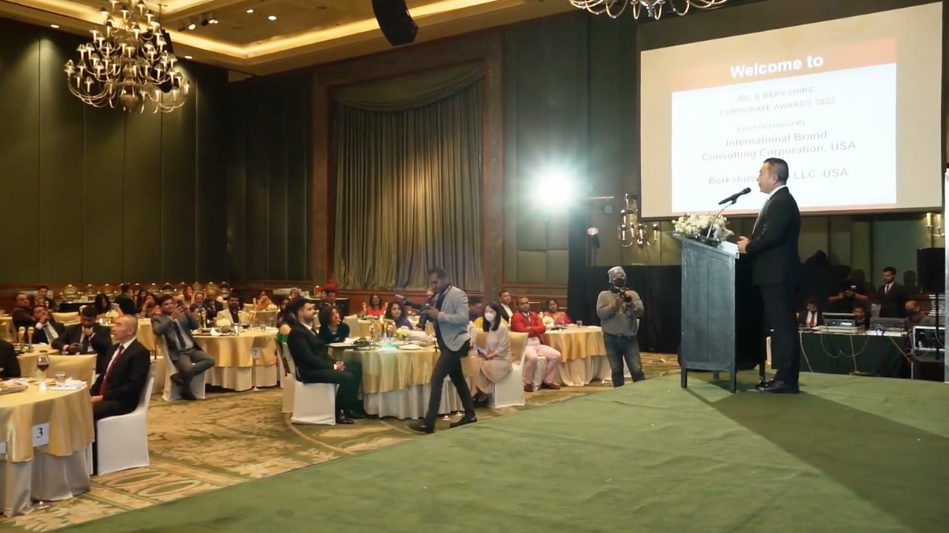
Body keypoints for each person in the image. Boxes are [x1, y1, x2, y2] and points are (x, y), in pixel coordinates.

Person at [737, 157, 802, 394]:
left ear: (774, 177)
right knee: (781, 328)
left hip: (778, 275)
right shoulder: (777, 200)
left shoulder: (781, 201)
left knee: (783, 329)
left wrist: (749, 246)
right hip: (774, 275)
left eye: (761, 173)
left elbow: (772, 237)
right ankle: (783, 378)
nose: (757, 178)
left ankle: (786, 380)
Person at [408, 268, 478, 434]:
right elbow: (438, 317)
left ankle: (429, 422)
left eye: (436, 282)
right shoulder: (439, 295)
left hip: (456, 342)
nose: (434, 285)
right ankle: (470, 415)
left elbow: (463, 319)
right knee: (458, 380)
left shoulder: (458, 294)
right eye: (432, 283)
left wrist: (439, 315)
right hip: (446, 343)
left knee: (436, 379)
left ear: (445, 278)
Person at [285, 299, 364, 424]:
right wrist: (333, 367)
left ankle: (349, 407)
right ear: (300, 313)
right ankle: (338, 411)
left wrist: (336, 362)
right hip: (309, 372)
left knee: (356, 367)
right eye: (309, 309)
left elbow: (321, 353)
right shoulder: (297, 333)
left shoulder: (309, 330)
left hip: (318, 367)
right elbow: (309, 359)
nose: (313, 311)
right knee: (347, 376)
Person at [152, 295, 215, 400]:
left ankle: (179, 376)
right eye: (166, 304)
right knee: (188, 369)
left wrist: (188, 313)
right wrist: (171, 318)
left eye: (171, 303)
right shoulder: (157, 318)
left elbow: (195, 326)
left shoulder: (181, 315)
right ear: (160, 307)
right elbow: (157, 331)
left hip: (192, 349)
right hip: (178, 352)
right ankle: (186, 390)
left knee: (210, 360)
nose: (170, 306)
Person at [596, 266, 646, 386]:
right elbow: (600, 313)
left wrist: (631, 304)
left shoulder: (632, 294)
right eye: (616, 277)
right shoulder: (604, 295)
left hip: (629, 338)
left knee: (636, 370)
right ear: (611, 280)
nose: (619, 278)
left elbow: (641, 311)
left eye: (622, 276)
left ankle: (642, 393)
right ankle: (618, 393)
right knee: (616, 370)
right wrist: (614, 306)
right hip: (611, 339)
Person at [469, 302, 514, 406]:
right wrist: (484, 353)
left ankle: (479, 392)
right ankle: (477, 391)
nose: (488, 314)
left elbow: (503, 348)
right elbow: (489, 346)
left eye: (491, 311)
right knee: (473, 359)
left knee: (477, 363)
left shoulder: (502, 327)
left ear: (497, 313)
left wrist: (489, 356)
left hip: (502, 359)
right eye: (486, 311)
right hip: (492, 357)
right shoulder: (490, 327)